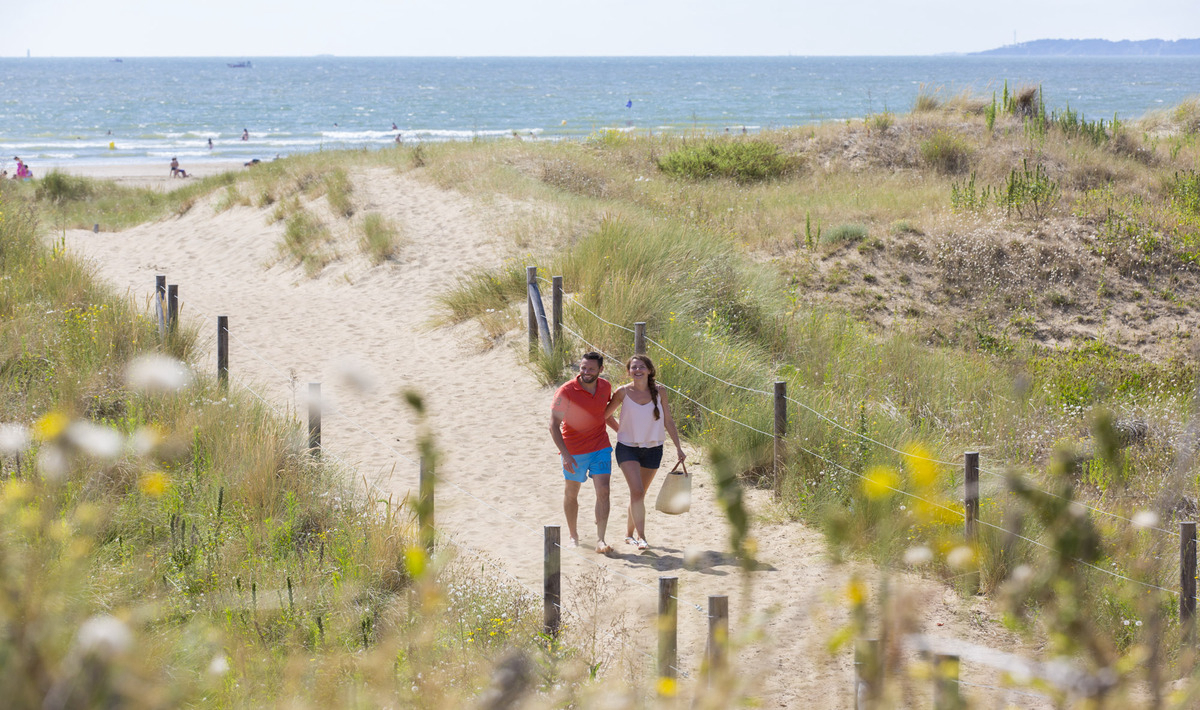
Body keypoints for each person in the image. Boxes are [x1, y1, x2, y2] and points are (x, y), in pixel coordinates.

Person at [603, 354, 684, 552]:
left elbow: (668, 421)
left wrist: (678, 447)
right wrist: (621, 431)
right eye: (633, 367)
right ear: (629, 371)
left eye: (641, 367)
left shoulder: (660, 391)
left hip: (654, 449)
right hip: (627, 448)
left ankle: (628, 534)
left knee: (639, 494)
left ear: (649, 370)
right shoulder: (622, 392)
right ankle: (642, 538)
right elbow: (605, 416)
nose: (637, 370)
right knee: (637, 492)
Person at [550, 352, 618, 554]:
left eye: (591, 369)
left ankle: (600, 540)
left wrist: (622, 432)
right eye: (583, 368)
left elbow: (605, 415)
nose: (586, 372)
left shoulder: (605, 387)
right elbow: (553, 425)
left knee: (604, 491)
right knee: (572, 493)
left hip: (600, 446)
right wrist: (565, 454)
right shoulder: (566, 391)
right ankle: (573, 535)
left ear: (600, 370)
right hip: (574, 451)